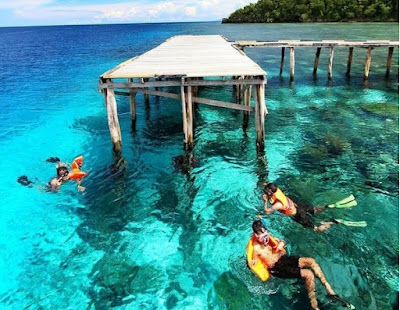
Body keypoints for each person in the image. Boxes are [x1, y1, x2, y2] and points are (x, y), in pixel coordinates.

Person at [249, 219, 354, 310]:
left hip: (283, 259)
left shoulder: (268, 238)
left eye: (266, 234)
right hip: (276, 268)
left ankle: (328, 288)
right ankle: (314, 305)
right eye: (262, 236)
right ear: (256, 235)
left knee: (311, 261)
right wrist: (252, 264)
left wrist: (281, 243)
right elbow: (253, 260)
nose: (265, 238)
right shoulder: (256, 248)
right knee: (308, 274)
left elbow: (281, 241)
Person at [262, 183, 362, 232]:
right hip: (298, 206)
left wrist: (265, 202)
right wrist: (265, 185)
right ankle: (327, 207)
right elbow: (268, 185)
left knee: (316, 229)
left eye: (267, 191)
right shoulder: (277, 190)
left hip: (298, 215)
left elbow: (267, 212)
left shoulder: (278, 204)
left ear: (271, 191)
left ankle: (333, 222)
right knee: (314, 209)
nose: (266, 192)